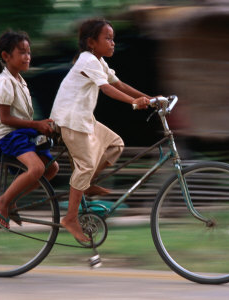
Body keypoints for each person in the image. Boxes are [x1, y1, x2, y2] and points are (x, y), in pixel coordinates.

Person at [50, 19, 154, 242]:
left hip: (84, 119)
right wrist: (134, 103)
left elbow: (119, 84)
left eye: (113, 38)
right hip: (70, 121)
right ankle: (70, 218)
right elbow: (106, 89)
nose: (113, 43)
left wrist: (151, 99)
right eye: (107, 38)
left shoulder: (99, 61)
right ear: (91, 42)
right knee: (86, 165)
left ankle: (85, 185)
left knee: (115, 144)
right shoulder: (87, 60)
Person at [0, 30, 59, 229]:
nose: (28, 56)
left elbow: (21, 117)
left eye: (29, 52)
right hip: (6, 135)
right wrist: (37, 124)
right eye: (22, 52)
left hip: (19, 133)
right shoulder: (4, 82)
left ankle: (12, 199)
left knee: (51, 168)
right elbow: (5, 118)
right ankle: (2, 202)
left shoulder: (20, 81)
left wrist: (44, 124)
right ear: (6, 56)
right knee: (36, 168)